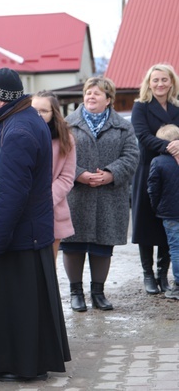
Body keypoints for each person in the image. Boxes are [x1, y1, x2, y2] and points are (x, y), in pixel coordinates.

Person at [0, 67, 70, 383]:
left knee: (14, 306)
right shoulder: (21, 121)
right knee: (24, 305)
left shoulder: (17, 130)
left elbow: (11, 194)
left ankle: (20, 364)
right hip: (24, 235)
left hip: (13, 238)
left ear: (1, 97)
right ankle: (27, 361)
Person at [62, 77, 139, 312]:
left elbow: (132, 156)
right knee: (73, 244)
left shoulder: (123, 126)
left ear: (109, 99)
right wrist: (79, 174)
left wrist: (110, 173)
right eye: (88, 92)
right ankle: (76, 292)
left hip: (109, 195)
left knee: (103, 245)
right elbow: (58, 156)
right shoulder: (67, 124)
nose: (91, 96)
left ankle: (98, 292)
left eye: (97, 93)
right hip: (76, 194)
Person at [131, 64, 179, 295]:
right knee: (146, 223)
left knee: (169, 221)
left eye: (164, 80)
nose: (160, 84)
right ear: (148, 83)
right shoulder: (140, 106)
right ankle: (148, 274)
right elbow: (142, 136)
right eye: (155, 80)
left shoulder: (178, 106)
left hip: (174, 172)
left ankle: (163, 275)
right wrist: (171, 146)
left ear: (171, 82)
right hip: (148, 169)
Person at [32, 91, 76, 259]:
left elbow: (66, 177)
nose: (38, 115)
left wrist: (43, 198)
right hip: (22, 207)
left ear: (54, 113)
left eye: (43, 111)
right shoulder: (19, 134)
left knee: (48, 265)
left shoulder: (65, 139)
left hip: (52, 208)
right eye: (34, 110)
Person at [147, 123, 179, 300]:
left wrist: (156, 206)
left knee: (175, 249)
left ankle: (178, 286)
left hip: (170, 212)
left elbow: (153, 188)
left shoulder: (158, 162)